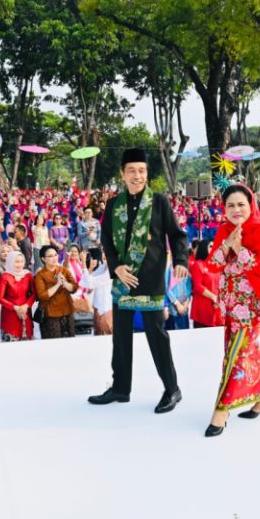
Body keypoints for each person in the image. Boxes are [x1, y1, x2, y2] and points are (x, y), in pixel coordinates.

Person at [89, 148, 188, 414]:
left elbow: (177, 236)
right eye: (131, 170)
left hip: (151, 280)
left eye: (142, 171)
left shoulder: (159, 202)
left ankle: (172, 389)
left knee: (157, 336)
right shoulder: (113, 204)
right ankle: (121, 388)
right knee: (120, 337)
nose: (137, 175)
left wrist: (181, 261)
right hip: (123, 280)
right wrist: (117, 268)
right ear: (122, 174)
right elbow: (106, 240)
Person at [203, 184, 260, 437]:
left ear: (251, 205)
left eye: (241, 204)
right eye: (230, 205)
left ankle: (221, 412)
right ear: (224, 209)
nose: (236, 210)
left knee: (235, 357)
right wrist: (227, 244)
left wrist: (240, 250)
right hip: (231, 308)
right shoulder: (224, 231)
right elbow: (212, 267)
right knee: (244, 353)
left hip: (254, 308)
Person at [34, 245, 77, 339]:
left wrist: (64, 283)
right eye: (50, 256)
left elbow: (74, 288)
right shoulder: (40, 275)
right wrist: (57, 285)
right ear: (43, 259)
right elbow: (42, 296)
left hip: (67, 311)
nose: (54, 258)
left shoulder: (63, 270)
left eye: (55, 255)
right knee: (53, 345)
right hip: (51, 314)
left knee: (70, 342)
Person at [0, 251, 36, 341]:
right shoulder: (4, 277)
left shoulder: (28, 275)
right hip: (10, 313)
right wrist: (15, 308)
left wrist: (26, 306)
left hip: (25, 313)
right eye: (16, 262)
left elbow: (34, 293)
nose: (20, 264)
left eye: (22, 261)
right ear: (10, 261)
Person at [189, 239, 223, 328]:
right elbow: (197, 286)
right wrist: (213, 297)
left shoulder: (217, 265)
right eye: (211, 246)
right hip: (202, 309)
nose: (214, 249)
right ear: (204, 248)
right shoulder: (198, 264)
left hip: (216, 308)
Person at [80, 248, 113, 335]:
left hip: (107, 309)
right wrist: (90, 267)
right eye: (104, 253)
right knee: (99, 335)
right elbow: (89, 280)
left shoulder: (113, 270)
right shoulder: (104, 266)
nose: (105, 256)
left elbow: (90, 282)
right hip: (98, 307)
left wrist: (83, 262)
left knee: (107, 338)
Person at [164, 253, 192, 330]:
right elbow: (166, 288)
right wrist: (177, 304)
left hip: (184, 309)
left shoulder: (185, 268)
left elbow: (188, 286)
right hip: (173, 310)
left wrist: (186, 302)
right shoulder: (169, 269)